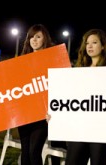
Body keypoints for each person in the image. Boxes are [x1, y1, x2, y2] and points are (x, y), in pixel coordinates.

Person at [64, 29, 106, 165]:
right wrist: (56, 115)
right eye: (87, 43)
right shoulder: (79, 71)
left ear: (103, 46)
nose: (89, 46)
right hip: (79, 129)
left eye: (94, 42)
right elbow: (69, 100)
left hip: (101, 131)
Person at [17, 24, 66, 165]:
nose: (34, 40)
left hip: (43, 115)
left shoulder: (54, 60)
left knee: (34, 152)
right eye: (31, 37)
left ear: (45, 39)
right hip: (24, 114)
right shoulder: (22, 61)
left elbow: (61, 87)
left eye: (38, 37)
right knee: (25, 152)